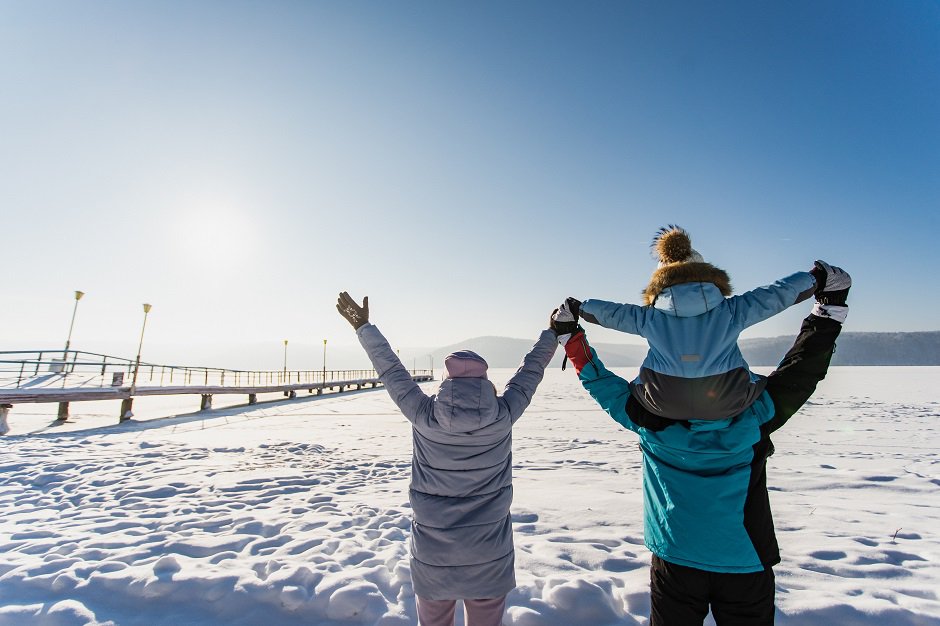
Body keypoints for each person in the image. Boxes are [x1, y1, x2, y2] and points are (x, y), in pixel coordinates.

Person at [550, 262, 850, 625]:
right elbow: (803, 369)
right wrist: (827, 311)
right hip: (745, 558)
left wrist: (571, 338)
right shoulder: (756, 417)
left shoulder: (648, 420)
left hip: (675, 556)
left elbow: (599, 382)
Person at [336, 292, 559, 626]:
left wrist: (364, 327)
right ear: (485, 379)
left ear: (447, 380)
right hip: (489, 553)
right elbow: (532, 369)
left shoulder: (424, 414)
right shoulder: (503, 413)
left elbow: (391, 370)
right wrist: (553, 333)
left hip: (433, 553)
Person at [565, 225, 832, 421]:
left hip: (660, 401)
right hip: (728, 399)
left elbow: (613, 313)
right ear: (708, 276)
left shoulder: (650, 317)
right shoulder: (731, 311)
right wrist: (815, 278)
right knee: (766, 389)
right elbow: (776, 295)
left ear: (660, 280)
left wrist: (581, 307)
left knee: (637, 391)